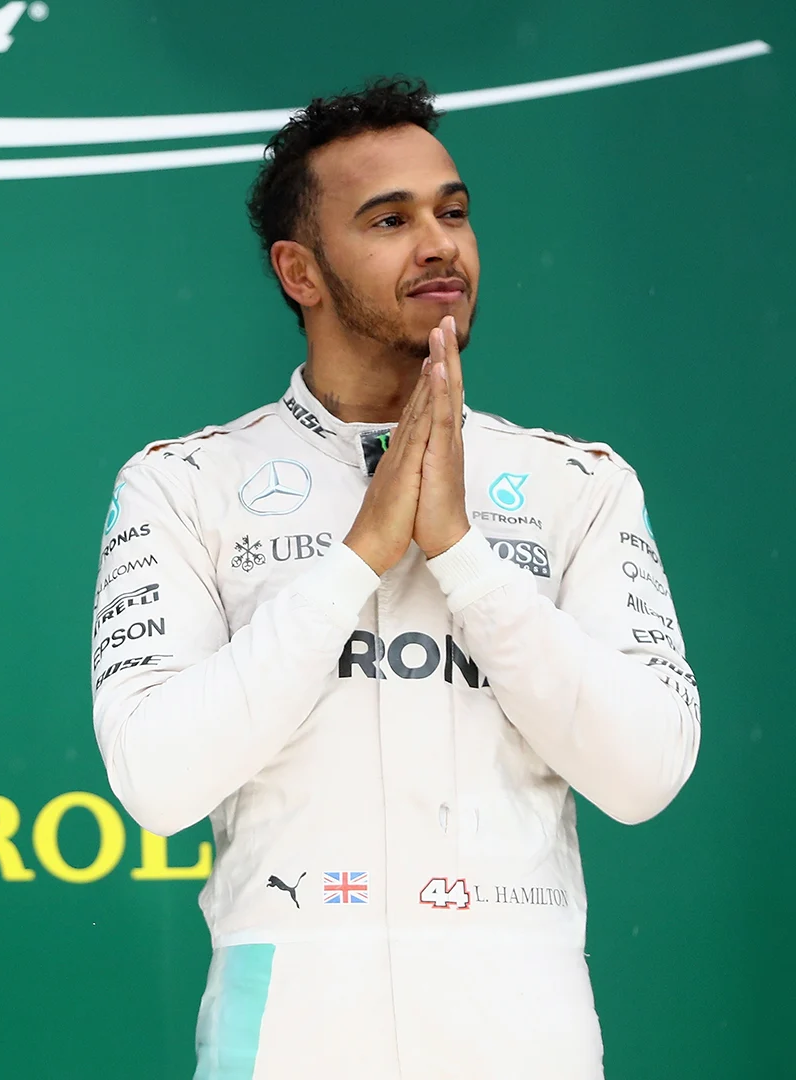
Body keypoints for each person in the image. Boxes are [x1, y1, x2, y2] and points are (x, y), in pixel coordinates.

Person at [90, 80, 698, 1078]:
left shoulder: (579, 485)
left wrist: (462, 556)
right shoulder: (184, 485)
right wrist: (357, 559)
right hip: (284, 1045)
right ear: (300, 271)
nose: (439, 245)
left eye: (452, 212)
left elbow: (645, 775)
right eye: (390, 219)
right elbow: (157, 782)